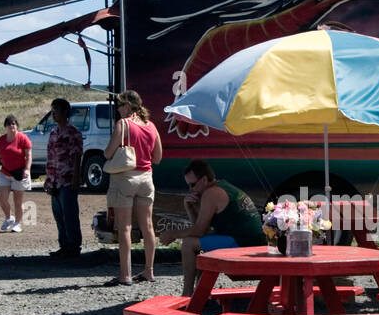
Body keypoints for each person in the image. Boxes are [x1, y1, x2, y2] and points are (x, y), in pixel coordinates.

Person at [158, 159, 264, 297]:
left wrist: (172, 234)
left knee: (189, 244)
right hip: (249, 241)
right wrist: (189, 207)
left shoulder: (212, 193)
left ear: (203, 180)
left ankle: (187, 294)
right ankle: (200, 293)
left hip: (245, 243)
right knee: (198, 244)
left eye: (193, 184)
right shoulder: (221, 186)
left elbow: (199, 231)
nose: (191, 189)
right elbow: (202, 231)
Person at [102, 90, 162, 285]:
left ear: (127, 106)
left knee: (125, 228)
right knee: (148, 226)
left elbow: (108, 153)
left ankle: (125, 274)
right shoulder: (151, 126)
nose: (118, 109)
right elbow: (158, 157)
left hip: (125, 178)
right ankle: (149, 271)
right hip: (146, 178)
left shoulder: (123, 124)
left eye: (119, 105)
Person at [44, 99, 83, 260]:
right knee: (59, 215)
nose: (53, 113)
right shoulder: (53, 133)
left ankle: (74, 246)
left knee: (70, 215)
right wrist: (48, 179)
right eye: (52, 110)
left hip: (67, 180)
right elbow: (50, 157)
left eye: (56, 110)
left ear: (65, 112)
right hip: (54, 180)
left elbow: (76, 155)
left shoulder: (73, 132)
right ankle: (64, 246)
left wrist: (76, 177)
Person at [0, 115, 33, 233]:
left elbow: (29, 155)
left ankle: (17, 223)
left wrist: (27, 169)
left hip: (19, 173)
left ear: (17, 126)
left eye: (14, 124)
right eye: (9, 124)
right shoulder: (1, 140)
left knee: (18, 201)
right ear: (5, 126)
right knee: (2, 199)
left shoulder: (23, 138)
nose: (12, 126)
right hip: (5, 172)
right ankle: (8, 218)